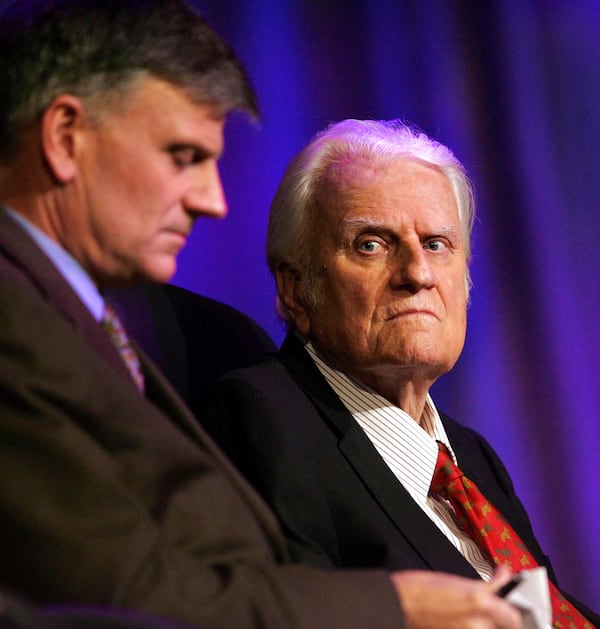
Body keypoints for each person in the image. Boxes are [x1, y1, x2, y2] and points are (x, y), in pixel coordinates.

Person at [0, 1, 524, 628]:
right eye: (183, 156)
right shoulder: (21, 323)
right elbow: (124, 588)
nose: (212, 201)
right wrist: (400, 607)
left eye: (438, 245)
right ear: (64, 138)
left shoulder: (99, 326)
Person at [200, 119, 600, 628]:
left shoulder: (472, 455)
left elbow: (548, 615)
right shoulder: (262, 422)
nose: (418, 273)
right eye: (372, 243)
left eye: (436, 244)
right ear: (296, 288)